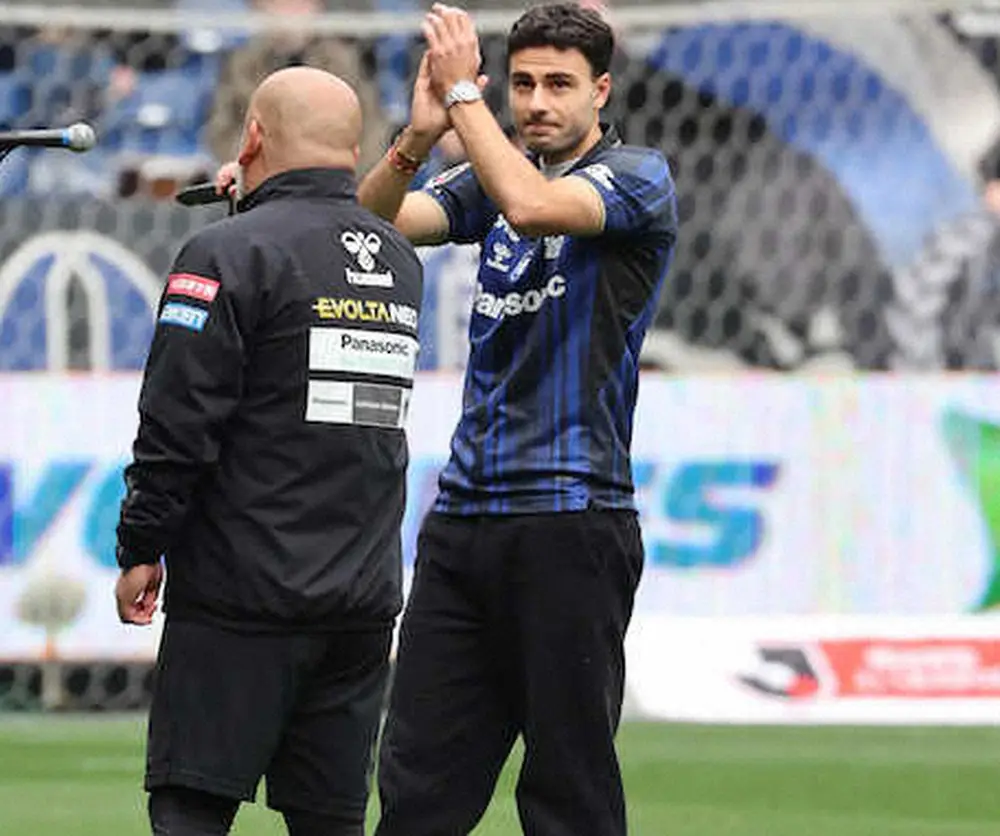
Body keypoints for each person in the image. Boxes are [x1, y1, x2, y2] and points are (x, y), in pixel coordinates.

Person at [364, 4, 677, 834]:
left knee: (568, 789)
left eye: (559, 85)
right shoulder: (493, 174)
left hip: (572, 518)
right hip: (463, 521)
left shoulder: (638, 177)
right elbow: (375, 226)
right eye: (525, 83)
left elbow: (533, 205)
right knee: (417, 787)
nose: (537, 102)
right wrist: (418, 137)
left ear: (601, 91)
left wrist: (464, 96)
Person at [114, 66, 423, 836]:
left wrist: (141, 546)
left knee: (190, 808)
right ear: (354, 147)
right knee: (329, 821)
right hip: (360, 602)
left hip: (242, 597)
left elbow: (177, 426)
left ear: (252, 137)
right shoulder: (399, 259)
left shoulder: (223, 253)